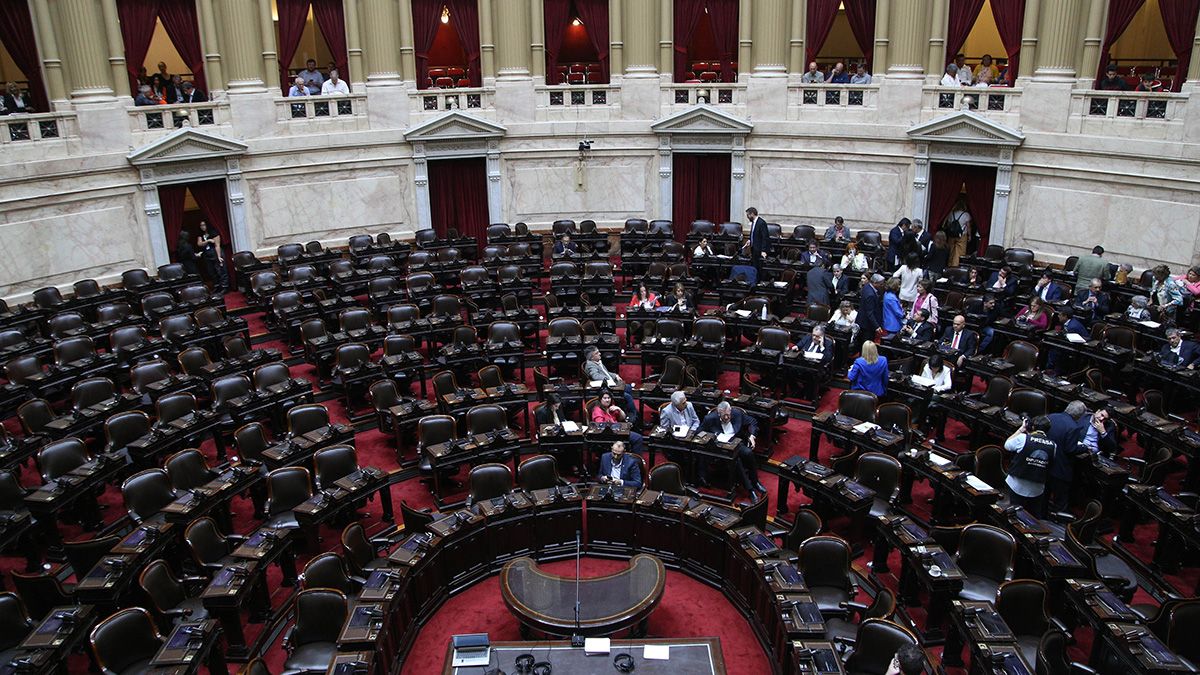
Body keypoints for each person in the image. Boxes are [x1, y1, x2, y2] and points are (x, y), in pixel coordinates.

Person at [1046, 402, 1116, 513]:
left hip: (1095, 455)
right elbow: (1070, 436)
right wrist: (1083, 447)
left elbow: (1112, 447)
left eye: (1105, 418)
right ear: (1097, 411)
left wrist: (1103, 432)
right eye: (1101, 415)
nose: (1101, 419)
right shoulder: (1083, 418)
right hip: (1078, 450)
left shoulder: (1109, 426)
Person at [699, 401, 764, 499]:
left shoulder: (737, 413)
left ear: (730, 411)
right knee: (736, 460)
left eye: (728, 415)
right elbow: (699, 432)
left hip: (736, 443)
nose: (726, 417)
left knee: (748, 453)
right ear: (718, 413)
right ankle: (750, 490)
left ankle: (755, 482)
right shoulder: (709, 419)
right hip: (721, 448)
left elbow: (753, 421)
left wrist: (752, 436)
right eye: (723, 415)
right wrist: (712, 437)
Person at [1002, 416, 1055, 515]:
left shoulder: (1023, 438)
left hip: (1016, 485)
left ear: (1032, 427)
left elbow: (1007, 445)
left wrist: (1021, 429)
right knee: (1031, 517)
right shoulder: (1053, 445)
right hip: (1037, 489)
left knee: (1012, 515)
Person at [584, 347, 638, 415]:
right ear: (592, 357)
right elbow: (595, 376)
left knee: (628, 387)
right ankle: (633, 415)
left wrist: (615, 375)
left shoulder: (597, 361)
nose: (600, 353)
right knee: (627, 396)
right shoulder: (591, 365)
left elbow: (606, 372)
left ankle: (627, 410)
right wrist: (608, 379)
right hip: (604, 388)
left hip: (610, 384)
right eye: (596, 353)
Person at [591, 391, 644, 455]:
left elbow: (622, 418)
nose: (607, 400)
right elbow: (601, 426)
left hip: (618, 431)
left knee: (636, 429)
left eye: (609, 398)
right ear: (600, 400)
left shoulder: (611, 407)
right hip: (609, 435)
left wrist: (619, 409)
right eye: (604, 398)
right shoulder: (597, 410)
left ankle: (632, 457)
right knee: (638, 438)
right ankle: (636, 459)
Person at [794, 325, 834, 400]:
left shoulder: (828, 343)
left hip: (816, 368)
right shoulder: (808, 337)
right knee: (788, 370)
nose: (814, 338)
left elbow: (828, 358)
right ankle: (797, 390)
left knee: (811, 375)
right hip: (803, 365)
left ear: (822, 336)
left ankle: (809, 396)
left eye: (817, 336)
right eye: (813, 335)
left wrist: (822, 347)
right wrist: (796, 347)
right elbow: (799, 345)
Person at [196, 221, 228, 292]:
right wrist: (207, 241)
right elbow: (199, 243)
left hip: (215, 252)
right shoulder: (201, 235)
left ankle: (224, 287)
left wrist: (219, 256)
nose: (202, 227)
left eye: (204, 225)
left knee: (220, 270)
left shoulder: (214, 232)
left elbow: (217, 245)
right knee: (211, 272)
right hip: (207, 254)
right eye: (201, 225)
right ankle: (216, 286)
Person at [944, 199, 972, 268]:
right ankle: (957, 266)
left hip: (952, 235)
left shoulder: (951, 213)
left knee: (951, 251)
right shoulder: (966, 214)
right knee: (960, 252)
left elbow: (948, 224)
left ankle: (950, 264)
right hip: (962, 235)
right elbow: (968, 226)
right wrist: (969, 235)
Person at [856, 274, 884, 341]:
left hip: (863, 320)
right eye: (881, 284)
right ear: (875, 283)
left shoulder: (867, 286)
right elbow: (869, 312)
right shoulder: (870, 295)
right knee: (867, 341)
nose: (882, 285)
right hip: (867, 324)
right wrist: (876, 326)